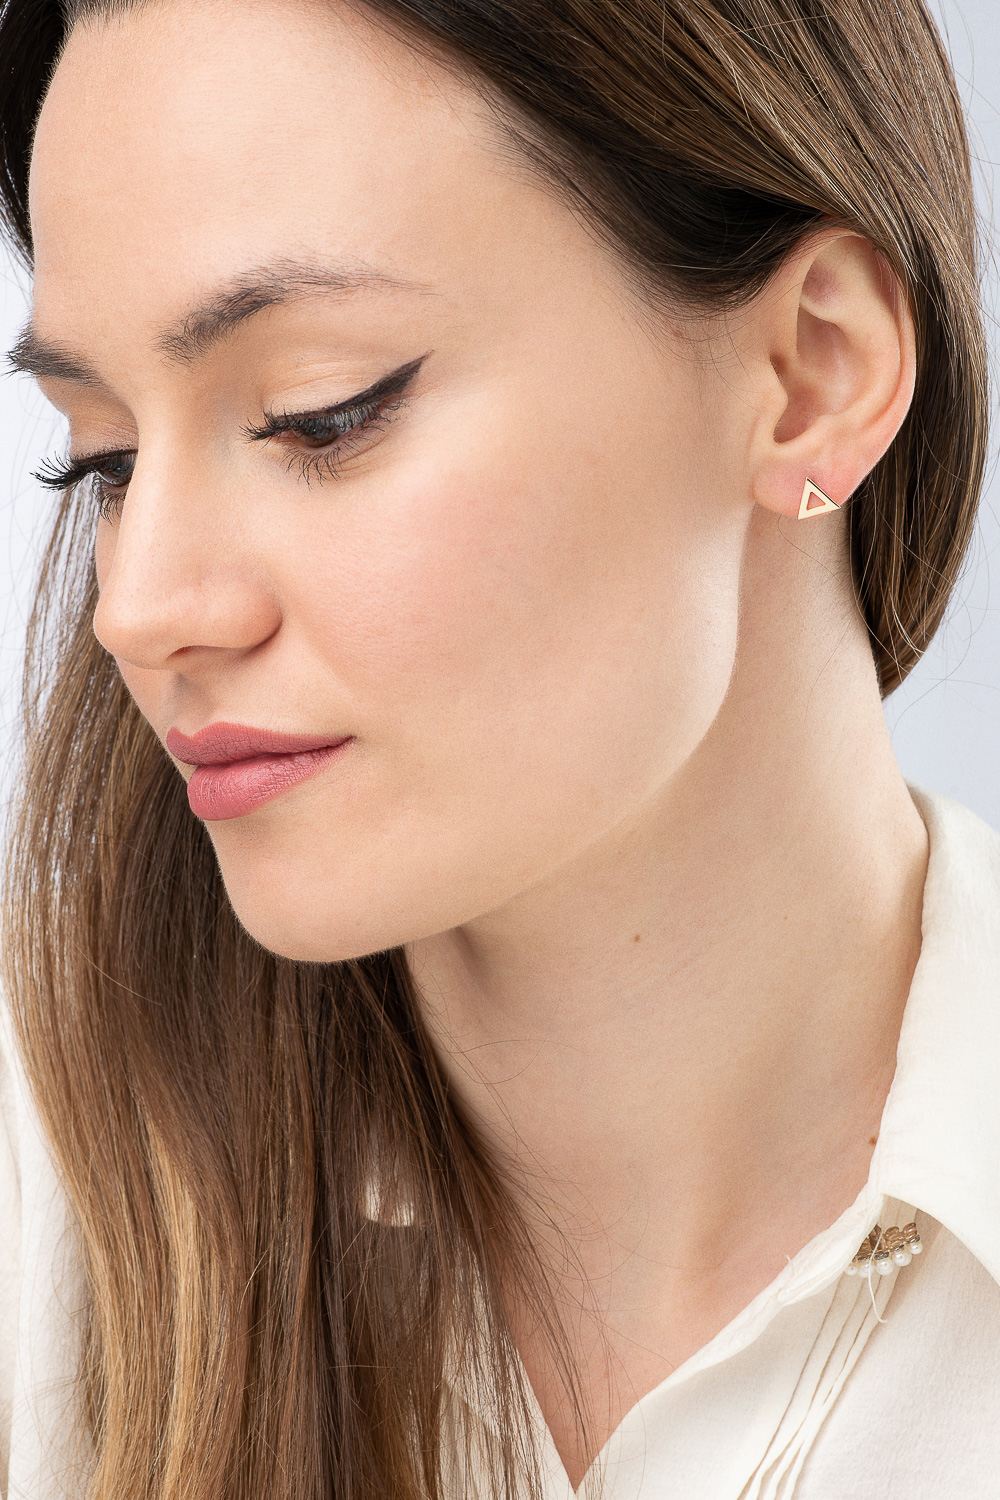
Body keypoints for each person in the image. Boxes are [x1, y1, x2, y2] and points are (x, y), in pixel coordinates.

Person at [0, 0, 996, 1496]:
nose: (137, 610)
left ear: (812, 372)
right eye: (107, 460)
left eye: (320, 414)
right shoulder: (38, 1192)